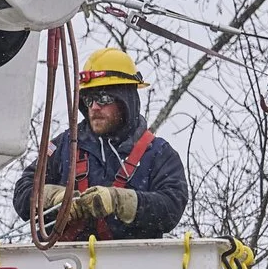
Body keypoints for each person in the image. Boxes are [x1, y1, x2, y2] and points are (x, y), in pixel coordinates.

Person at [10, 48, 188, 241]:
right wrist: (55, 198)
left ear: (125, 100)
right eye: (89, 99)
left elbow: (171, 207)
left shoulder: (158, 154)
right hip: (65, 264)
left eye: (104, 98)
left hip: (134, 264)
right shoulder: (65, 146)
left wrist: (118, 200)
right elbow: (22, 193)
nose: (94, 107)